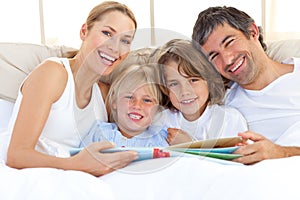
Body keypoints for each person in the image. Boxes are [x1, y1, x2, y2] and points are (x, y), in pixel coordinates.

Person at [6, 1, 138, 177]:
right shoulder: (53, 74)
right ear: (84, 31)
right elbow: (16, 155)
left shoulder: (104, 95)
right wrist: (76, 165)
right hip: (30, 177)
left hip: (75, 180)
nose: (115, 48)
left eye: (125, 41)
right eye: (107, 33)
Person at [192, 6, 300, 164]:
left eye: (229, 42)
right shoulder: (224, 105)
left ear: (252, 32)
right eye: (214, 56)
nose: (227, 60)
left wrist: (282, 152)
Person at [154, 39, 248, 145]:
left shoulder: (229, 119)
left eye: (193, 80)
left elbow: (234, 158)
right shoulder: (161, 121)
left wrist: (190, 146)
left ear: (209, 80)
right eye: (174, 84)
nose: (184, 92)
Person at [80, 62, 168, 148]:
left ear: (157, 109)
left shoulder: (159, 140)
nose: (137, 106)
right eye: (129, 97)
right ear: (114, 102)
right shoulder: (100, 133)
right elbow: (80, 159)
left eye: (147, 100)